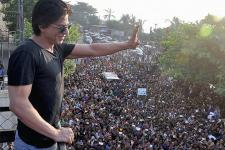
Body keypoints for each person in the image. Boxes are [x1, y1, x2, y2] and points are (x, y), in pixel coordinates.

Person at [7, 0, 139, 149]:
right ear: (42, 25)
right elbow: (18, 104)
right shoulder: (26, 54)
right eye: (61, 28)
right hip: (32, 145)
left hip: (49, 139)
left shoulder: (56, 49)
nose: (67, 32)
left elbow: (92, 49)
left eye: (67, 27)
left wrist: (126, 45)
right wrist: (55, 133)